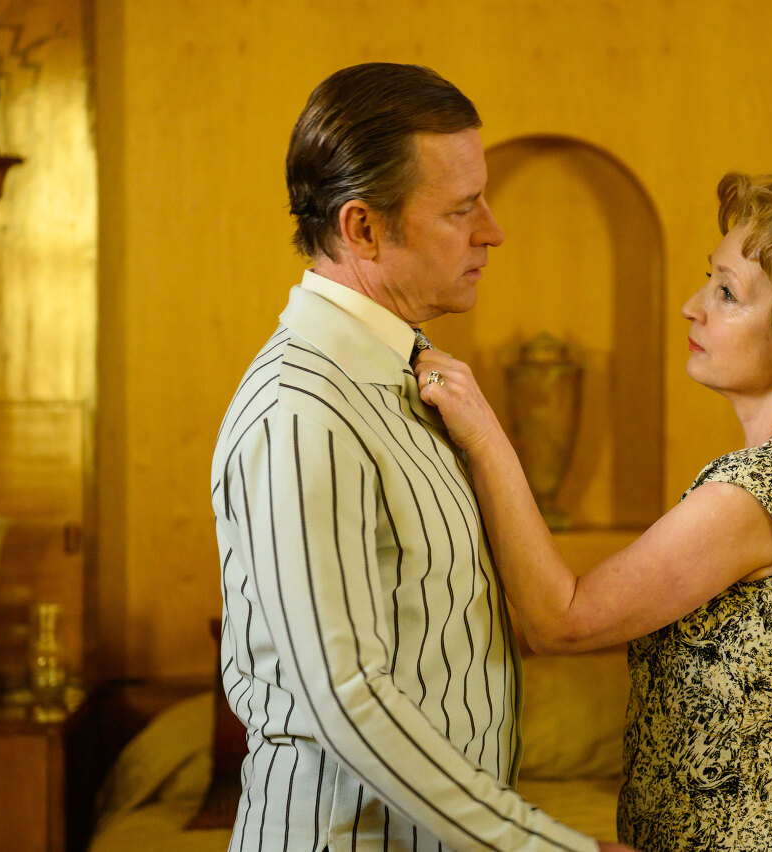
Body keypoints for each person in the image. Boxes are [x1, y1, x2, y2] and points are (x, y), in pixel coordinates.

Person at [416, 172, 772, 851]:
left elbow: (560, 621)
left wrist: (485, 435)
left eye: (727, 293)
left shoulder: (766, 489)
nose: (693, 307)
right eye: (707, 281)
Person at [210, 63, 633, 852]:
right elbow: (347, 698)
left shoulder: (411, 379)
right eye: (463, 209)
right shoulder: (303, 411)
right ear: (363, 228)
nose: (492, 232)